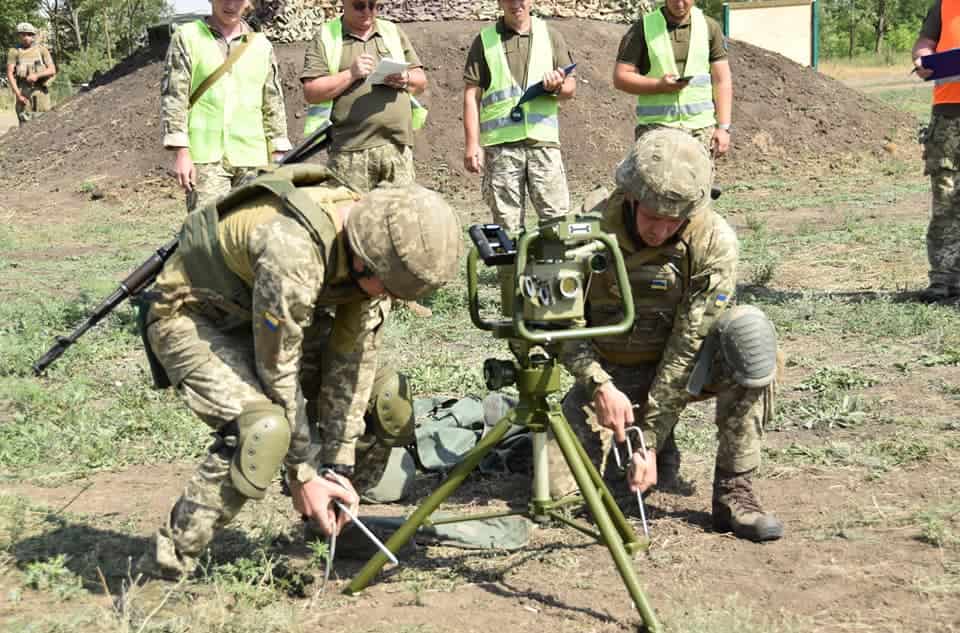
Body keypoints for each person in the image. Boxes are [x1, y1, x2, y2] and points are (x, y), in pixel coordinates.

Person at [136, 166, 462, 578]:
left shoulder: (369, 250)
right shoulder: (292, 249)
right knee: (262, 431)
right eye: (389, 289)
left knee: (386, 400)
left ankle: (330, 521)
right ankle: (165, 567)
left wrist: (337, 469)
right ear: (366, 261)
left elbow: (354, 360)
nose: (391, 298)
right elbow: (279, 371)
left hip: (268, 315)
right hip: (193, 315)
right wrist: (303, 471)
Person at [549, 128, 783, 542]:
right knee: (557, 495)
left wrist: (650, 439)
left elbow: (688, 345)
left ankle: (735, 491)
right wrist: (599, 384)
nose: (659, 229)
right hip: (609, 376)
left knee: (749, 334)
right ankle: (631, 440)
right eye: (651, 215)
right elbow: (560, 324)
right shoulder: (586, 228)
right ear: (632, 197)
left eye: (672, 219)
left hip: (683, 372)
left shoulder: (713, 241)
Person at [161, 0, 291, 211]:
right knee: (208, 232)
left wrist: (278, 154)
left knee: (250, 232)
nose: (231, 4)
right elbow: (174, 97)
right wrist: (181, 152)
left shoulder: (261, 45)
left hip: (253, 157)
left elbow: (273, 101)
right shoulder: (187, 37)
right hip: (206, 159)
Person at [462, 0, 576, 235]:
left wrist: (557, 86)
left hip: (543, 146)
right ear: (500, 2)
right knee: (507, 228)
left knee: (557, 224)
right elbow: (471, 95)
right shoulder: (484, 40)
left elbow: (570, 88)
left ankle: (555, 273)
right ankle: (510, 273)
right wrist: (472, 144)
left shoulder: (550, 35)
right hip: (501, 149)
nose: (516, 4)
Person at [300, 0, 427, 193]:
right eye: (359, 5)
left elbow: (421, 81)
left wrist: (405, 77)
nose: (367, 11)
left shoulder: (392, 32)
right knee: (351, 218)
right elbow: (312, 92)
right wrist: (350, 74)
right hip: (350, 153)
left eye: (373, 5)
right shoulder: (327, 36)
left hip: (397, 149)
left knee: (398, 218)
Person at [612, 0, 732, 157]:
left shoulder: (709, 27)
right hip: (656, 130)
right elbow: (621, 77)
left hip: (701, 131)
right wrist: (658, 86)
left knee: (698, 182)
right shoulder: (643, 27)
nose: (680, 3)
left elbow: (722, 80)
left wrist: (723, 128)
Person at [913, 2, 960, 302]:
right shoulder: (945, 4)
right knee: (945, 195)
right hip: (947, 115)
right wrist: (922, 58)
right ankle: (944, 279)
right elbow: (925, 43)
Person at [5, 22, 56, 125]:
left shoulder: (42, 50)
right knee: (24, 124)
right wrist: (18, 95)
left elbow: (52, 70)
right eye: (23, 34)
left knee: (44, 122)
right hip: (23, 92)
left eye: (29, 34)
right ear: (18, 36)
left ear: (33, 36)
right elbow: (10, 74)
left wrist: (36, 75)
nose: (26, 37)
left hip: (40, 91)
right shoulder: (14, 51)